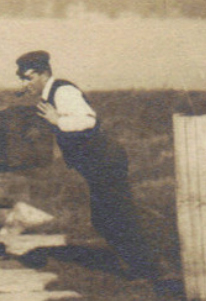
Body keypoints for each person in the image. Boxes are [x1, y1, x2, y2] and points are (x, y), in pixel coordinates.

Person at [15, 50, 162, 279]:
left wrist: (58, 121)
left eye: (29, 77)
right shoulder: (49, 95)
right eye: (22, 79)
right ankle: (140, 265)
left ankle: (145, 268)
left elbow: (88, 121)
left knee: (114, 216)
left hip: (104, 160)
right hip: (97, 163)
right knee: (108, 217)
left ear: (44, 73)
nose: (25, 84)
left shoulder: (63, 91)